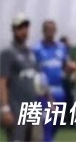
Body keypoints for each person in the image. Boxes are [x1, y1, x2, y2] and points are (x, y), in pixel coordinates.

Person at [1, 14, 44, 142]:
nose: (23, 31)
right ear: (14, 30)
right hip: (16, 107)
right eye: (20, 28)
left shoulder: (30, 53)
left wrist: (49, 99)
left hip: (32, 107)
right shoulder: (8, 53)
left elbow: (38, 79)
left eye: (26, 28)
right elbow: (2, 82)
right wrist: (4, 108)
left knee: (36, 139)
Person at [33, 20, 68, 142]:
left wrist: (69, 69)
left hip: (59, 91)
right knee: (47, 121)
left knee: (57, 121)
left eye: (52, 30)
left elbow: (65, 65)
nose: (50, 32)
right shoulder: (36, 49)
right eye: (47, 30)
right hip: (44, 92)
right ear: (43, 31)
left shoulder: (62, 47)